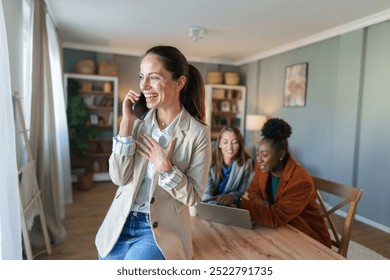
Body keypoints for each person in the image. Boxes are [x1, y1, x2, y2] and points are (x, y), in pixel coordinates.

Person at [95, 46, 212, 260]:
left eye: (154, 77)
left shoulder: (197, 133)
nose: (144, 85)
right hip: (121, 221)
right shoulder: (138, 124)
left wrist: (167, 169)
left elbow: (193, 198)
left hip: (159, 230)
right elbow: (118, 177)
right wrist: (126, 125)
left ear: (179, 82)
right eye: (142, 77)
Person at [218, 118, 332, 248]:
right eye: (258, 154)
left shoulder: (300, 181)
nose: (259, 160)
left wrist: (238, 201)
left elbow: (276, 216)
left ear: (281, 154)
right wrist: (263, 205)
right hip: (280, 228)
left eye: (265, 155)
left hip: (307, 238)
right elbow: (253, 192)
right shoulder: (263, 168)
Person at [201, 125, 253, 204]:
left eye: (234, 142)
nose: (229, 147)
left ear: (239, 145)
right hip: (209, 203)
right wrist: (215, 206)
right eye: (225, 142)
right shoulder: (208, 160)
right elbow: (206, 192)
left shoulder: (247, 163)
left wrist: (227, 200)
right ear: (219, 144)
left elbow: (240, 191)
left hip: (231, 204)